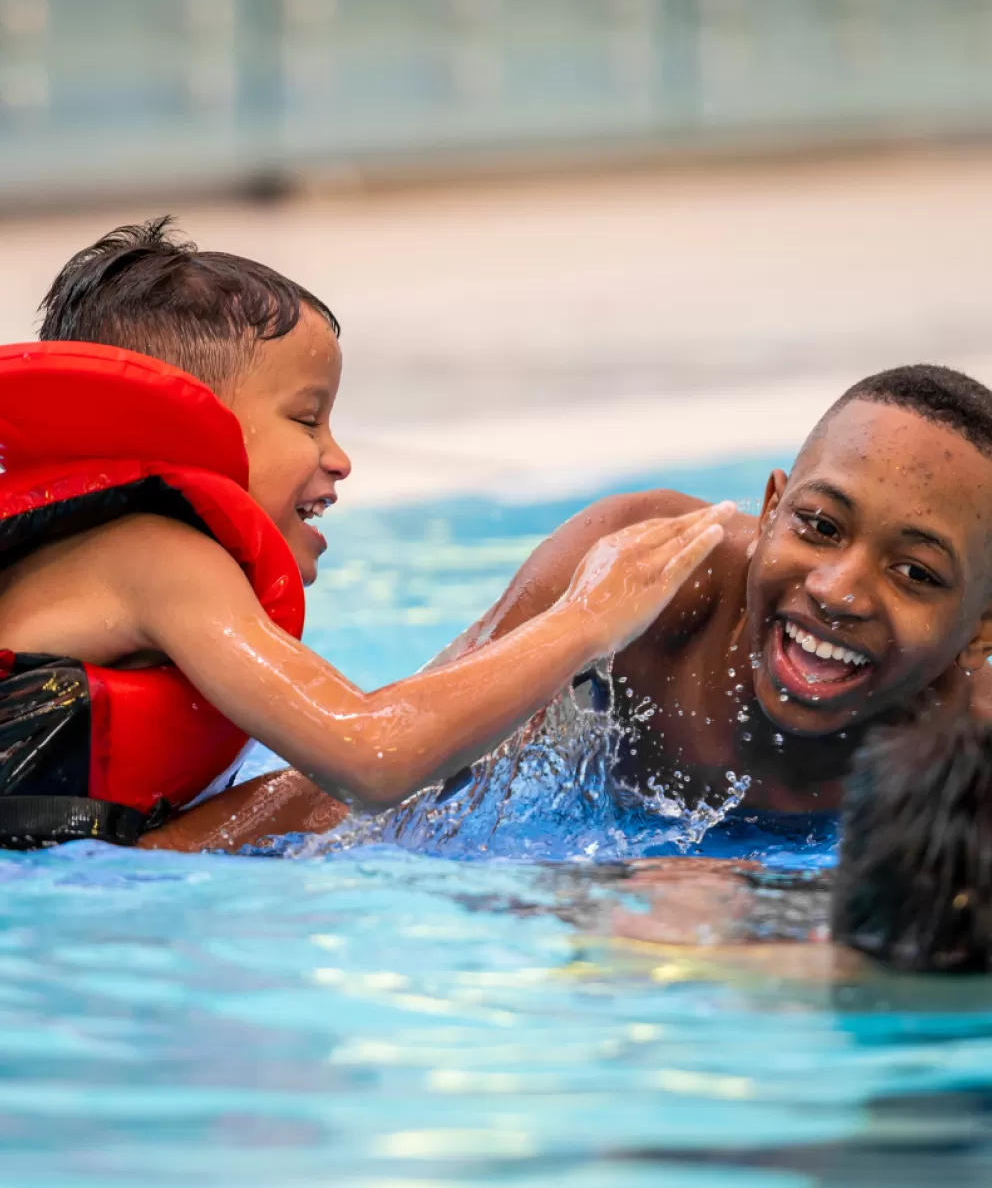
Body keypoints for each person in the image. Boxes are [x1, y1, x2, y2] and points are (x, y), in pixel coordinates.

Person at [0, 218, 732, 849]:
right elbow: (373, 752)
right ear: (185, 425)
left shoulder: (92, 563)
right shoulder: (156, 557)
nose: (339, 459)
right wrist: (587, 621)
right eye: (306, 419)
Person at [155, 362, 992, 854]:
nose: (839, 591)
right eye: (818, 525)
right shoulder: (650, 585)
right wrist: (145, 867)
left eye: (916, 573)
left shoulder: (971, 730)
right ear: (772, 506)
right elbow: (386, 777)